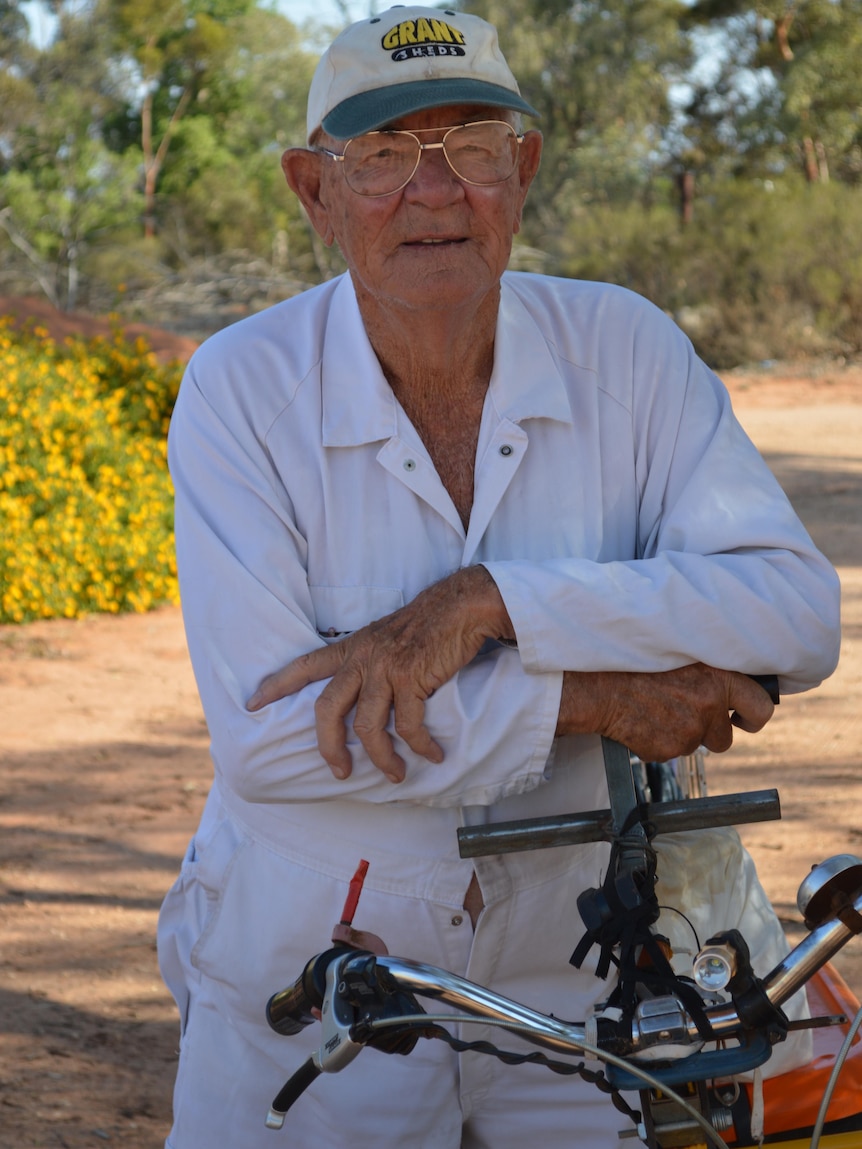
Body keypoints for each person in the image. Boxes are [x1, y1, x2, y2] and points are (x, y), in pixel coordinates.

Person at [157, 6, 841, 1147]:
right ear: (313, 194)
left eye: (472, 146)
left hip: (581, 979)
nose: (433, 193)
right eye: (378, 157)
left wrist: (492, 605)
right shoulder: (240, 389)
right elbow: (272, 738)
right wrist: (596, 695)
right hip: (320, 976)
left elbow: (793, 613)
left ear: (519, 169)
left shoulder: (625, 348)